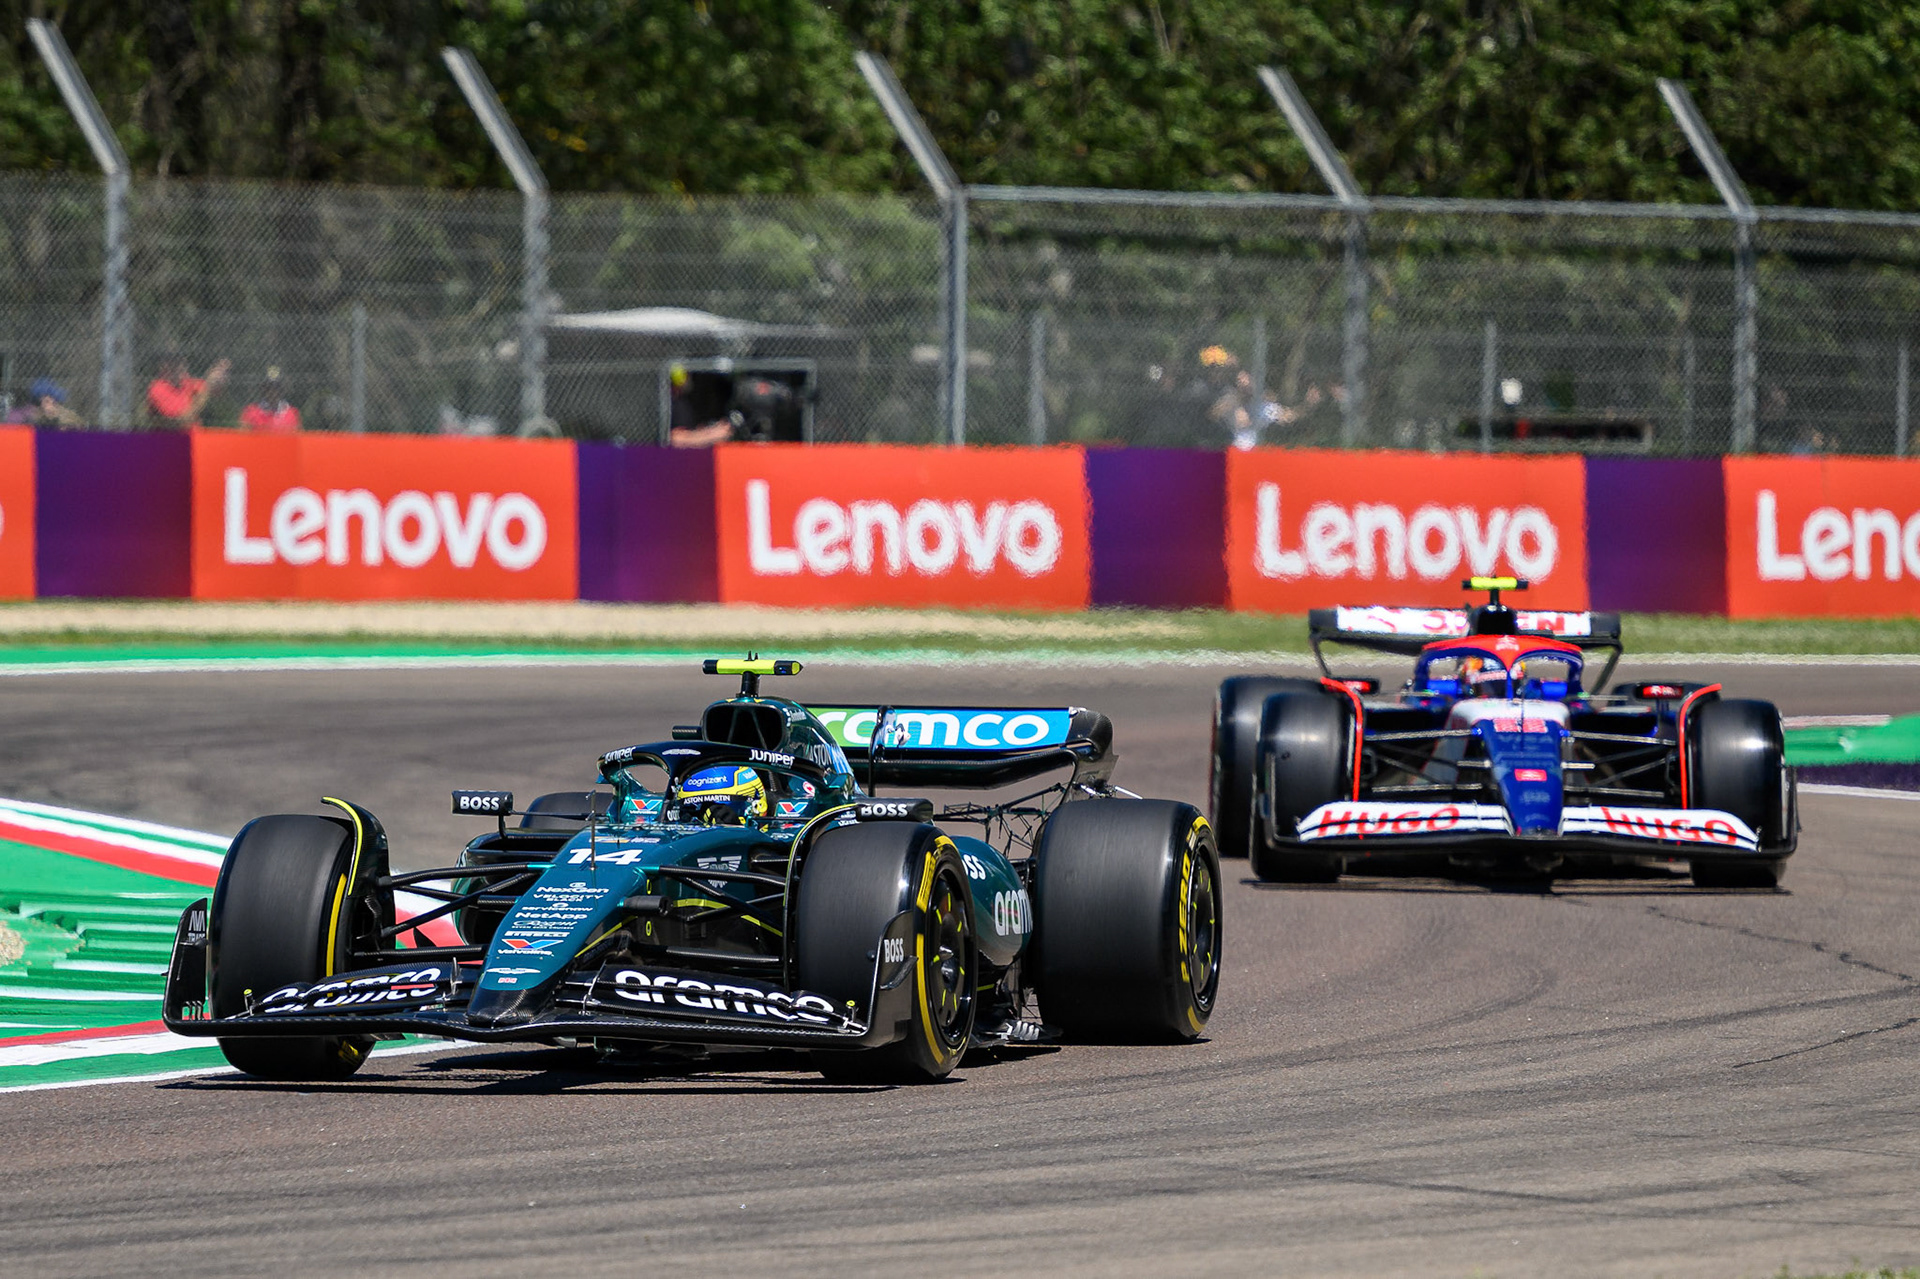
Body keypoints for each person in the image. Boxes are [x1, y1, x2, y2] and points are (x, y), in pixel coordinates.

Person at [147, 355, 229, 429]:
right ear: (164, 368)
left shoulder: (187, 383)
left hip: (194, 437)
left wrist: (216, 376)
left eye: (182, 364)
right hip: (171, 438)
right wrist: (206, 391)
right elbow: (183, 420)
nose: (181, 369)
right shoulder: (158, 388)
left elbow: (216, 391)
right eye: (175, 366)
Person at [668, 363, 734, 447]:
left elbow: (690, 432)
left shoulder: (683, 402)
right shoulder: (673, 404)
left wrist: (711, 431)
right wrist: (712, 435)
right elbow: (675, 438)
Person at [238, 367, 302, 433]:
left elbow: (297, 436)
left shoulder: (292, 413)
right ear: (263, 390)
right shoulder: (251, 411)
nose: (272, 391)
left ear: (281, 390)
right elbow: (242, 436)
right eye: (268, 387)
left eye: (276, 387)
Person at [3, 378, 84, 428]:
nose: (50, 404)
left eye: (54, 402)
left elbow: (79, 424)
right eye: (46, 401)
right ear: (39, 402)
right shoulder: (27, 414)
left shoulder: (64, 414)